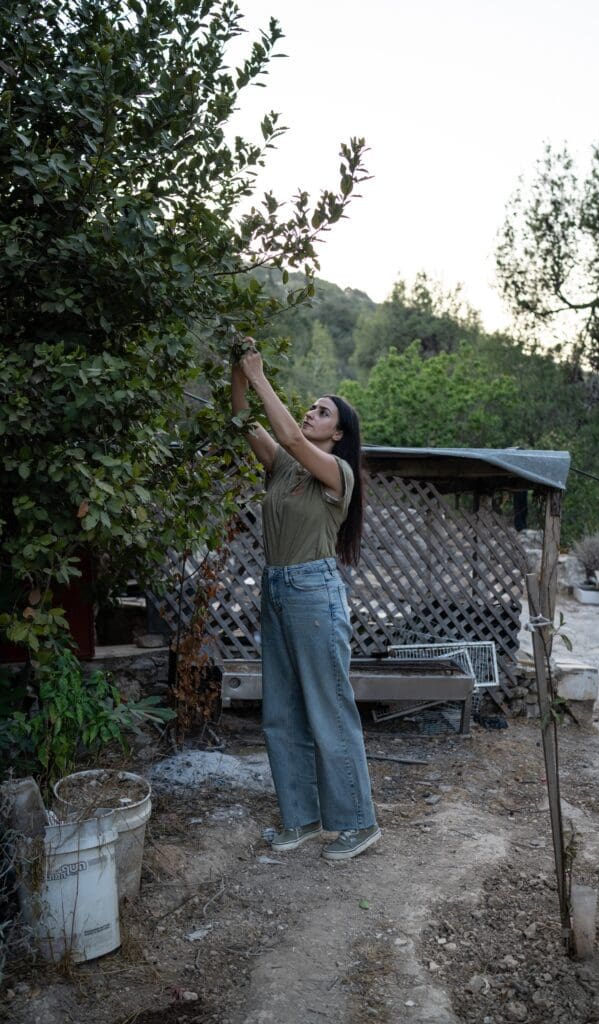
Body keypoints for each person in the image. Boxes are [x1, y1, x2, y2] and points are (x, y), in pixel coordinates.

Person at [231, 340, 380, 861]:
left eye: (323, 411)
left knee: (328, 709)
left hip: (313, 594)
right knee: (281, 712)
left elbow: (291, 437)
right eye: (311, 407)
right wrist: (239, 372)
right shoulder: (283, 467)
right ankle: (301, 817)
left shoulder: (337, 473)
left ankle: (359, 822)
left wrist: (260, 374)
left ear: (337, 434)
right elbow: (242, 422)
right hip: (277, 589)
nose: (310, 413)